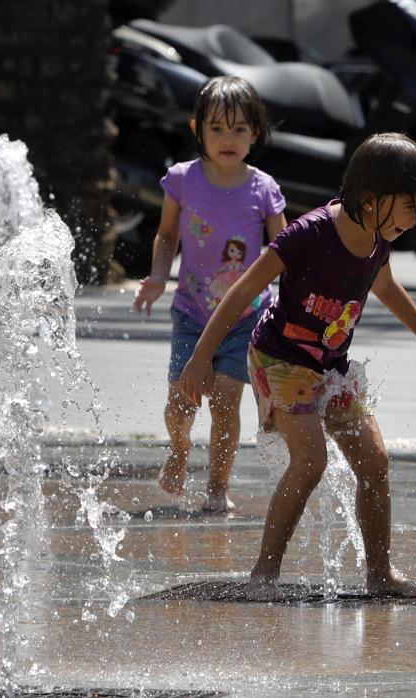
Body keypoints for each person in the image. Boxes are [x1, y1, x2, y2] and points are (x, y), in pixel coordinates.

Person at [178, 132, 416, 601]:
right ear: (371, 198)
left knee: (375, 461)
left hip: (330, 364)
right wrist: (201, 357)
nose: (415, 219)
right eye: (410, 206)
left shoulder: (377, 239)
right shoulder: (308, 234)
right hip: (280, 358)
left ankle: (380, 573)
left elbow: (386, 288)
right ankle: (263, 575)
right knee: (311, 461)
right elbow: (243, 290)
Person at [132, 76, 288, 514]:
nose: (227, 139)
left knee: (224, 400)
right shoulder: (182, 180)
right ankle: (180, 450)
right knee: (180, 402)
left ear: (255, 133)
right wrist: (158, 275)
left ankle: (218, 485)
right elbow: (167, 235)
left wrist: (290, 300)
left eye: (239, 129)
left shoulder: (263, 189)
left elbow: (284, 250)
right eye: (216, 128)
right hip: (192, 312)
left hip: (245, 315)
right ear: (197, 129)